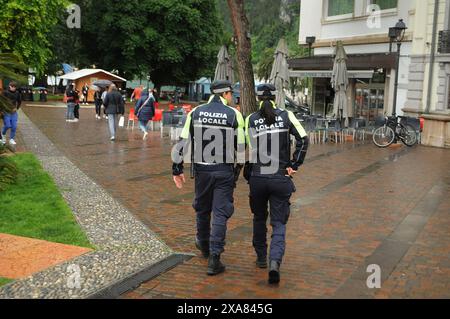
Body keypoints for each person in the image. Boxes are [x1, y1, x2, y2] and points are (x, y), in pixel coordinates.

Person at [172, 80, 245, 276]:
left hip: (202, 170)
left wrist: (176, 167)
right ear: (226, 94)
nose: (232, 98)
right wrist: (236, 171)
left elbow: (183, 141)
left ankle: (203, 245)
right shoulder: (234, 114)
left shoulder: (195, 112)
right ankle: (215, 258)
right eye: (231, 94)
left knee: (202, 209)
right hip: (224, 170)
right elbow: (241, 148)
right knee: (220, 213)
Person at [244, 84, 309, 285]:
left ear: (258, 98)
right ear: (275, 97)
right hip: (280, 176)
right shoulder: (287, 115)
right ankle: (274, 262)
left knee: (258, 217)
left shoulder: (251, 119)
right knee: (279, 222)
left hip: (258, 176)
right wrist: (294, 165)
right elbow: (304, 140)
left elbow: (249, 146)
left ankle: (261, 257)